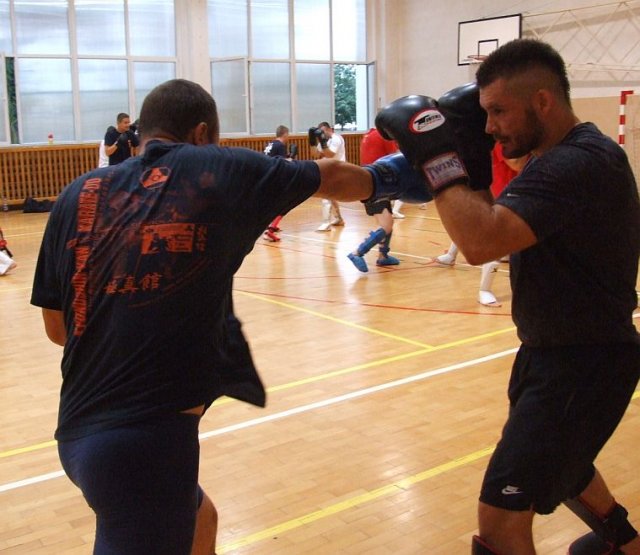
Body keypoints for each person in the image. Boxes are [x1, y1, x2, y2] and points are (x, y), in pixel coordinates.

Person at [30, 78, 390, 555]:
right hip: (144, 442)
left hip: (79, 428)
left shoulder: (78, 192)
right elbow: (334, 176)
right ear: (202, 133)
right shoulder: (215, 167)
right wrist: (408, 175)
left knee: (203, 520)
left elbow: (57, 328)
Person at [375, 39, 640, 554]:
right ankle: (625, 543)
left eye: (499, 111)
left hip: (584, 363)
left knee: (500, 517)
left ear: (542, 101)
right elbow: (494, 220)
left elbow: (480, 241)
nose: (490, 126)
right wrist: (470, 169)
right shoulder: (553, 159)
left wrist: (438, 157)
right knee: (565, 465)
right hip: (552, 352)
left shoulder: (578, 163)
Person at [436, 142, 531, 306]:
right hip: (503, 191)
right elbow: (516, 163)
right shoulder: (506, 140)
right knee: (492, 238)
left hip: (506, 188)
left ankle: (451, 255)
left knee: (474, 226)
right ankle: (484, 290)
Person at [347, 127, 401, 272]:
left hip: (371, 181)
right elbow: (396, 157)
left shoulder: (369, 134)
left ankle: (383, 256)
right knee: (386, 224)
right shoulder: (384, 136)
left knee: (387, 220)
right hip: (378, 183)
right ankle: (357, 253)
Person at [262, 125, 296, 242]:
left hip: (266, 176)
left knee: (273, 204)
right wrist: (292, 160)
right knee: (284, 205)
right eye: (288, 135)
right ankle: (270, 231)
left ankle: (271, 226)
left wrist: (289, 157)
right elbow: (282, 164)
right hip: (274, 178)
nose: (288, 137)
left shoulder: (271, 144)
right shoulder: (280, 145)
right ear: (285, 134)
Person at [312, 121, 346, 231]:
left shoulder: (336, 138)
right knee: (331, 195)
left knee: (326, 195)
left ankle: (326, 223)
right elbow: (315, 154)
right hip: (329, 170)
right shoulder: (324, 140)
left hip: (338, 170)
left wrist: (322, 142)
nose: (322, 134)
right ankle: (339, 218)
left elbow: (330, 154)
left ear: (329, 129)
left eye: (323, 131)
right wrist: (312, 141)